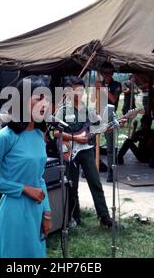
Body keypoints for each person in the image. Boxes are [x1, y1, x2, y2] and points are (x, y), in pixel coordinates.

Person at [0, 76, 52, 258]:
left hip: (37, 209)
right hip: (14, 210)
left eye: (47, 98)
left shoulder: (39, 134)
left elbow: (39, 177)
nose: (45, 104)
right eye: (38, 98)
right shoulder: (6, 136)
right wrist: (23, 189)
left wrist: (47, 212)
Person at [56, 76, 114, 228]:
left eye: (82, 90)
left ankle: (105, 217)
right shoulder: (62, 111)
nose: (80, 93)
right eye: (76, 90)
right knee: (72, 186)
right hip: (71, 152)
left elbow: (99, 127)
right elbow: (55, 133)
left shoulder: (89, 110)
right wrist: (75, 137)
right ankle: (75, 218)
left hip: (87, 151)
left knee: (95, 183)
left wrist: (110, 126)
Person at [93, 63, 122, 182]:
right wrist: (96, 89)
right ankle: (94, 167)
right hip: (98, 114)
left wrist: (103, 89)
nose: (106, 75)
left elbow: (114, 99)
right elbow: (94, 99)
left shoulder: (116, 85)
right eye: (104, 73)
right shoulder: (100, 83)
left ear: (112, 73)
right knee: (93, 144)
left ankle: (111, 171)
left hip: (110, 115)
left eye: (108, 73)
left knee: (110, 147)